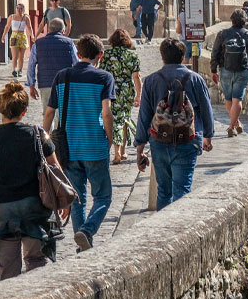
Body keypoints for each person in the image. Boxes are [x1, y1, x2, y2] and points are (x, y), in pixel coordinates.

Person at [0, 81, 61, 278]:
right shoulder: (38, 135)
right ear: (24, 111)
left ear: (0, 109)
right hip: (34, 208)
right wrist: (62, 201)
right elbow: (55, 169)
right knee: (36, 262)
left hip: (0, 211)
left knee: (8, 269)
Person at [46, 34, 116, 251]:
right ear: (100, 55)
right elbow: (106, 113)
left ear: (78, 53)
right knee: (103, 196)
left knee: (76, 198)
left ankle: (83, 245)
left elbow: (49, 113)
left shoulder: (62, 76)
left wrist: (45, 140)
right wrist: (110, 139)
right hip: (95, 145)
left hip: (68, 147)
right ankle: (87, 231)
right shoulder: (104, 77)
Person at [134, 37, 215, 208]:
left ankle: (162, 231)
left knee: (163, 191)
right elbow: (206, 110)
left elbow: (144, 116)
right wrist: (208, 136)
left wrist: (140, 146)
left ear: (162, 57)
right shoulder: (195, 79)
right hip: (188, 140)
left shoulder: (150, 81)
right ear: (183, 56)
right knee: (182, 189)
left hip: (159, 141)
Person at [211, 9, 248, 138]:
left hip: (225, 69)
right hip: (242, 70)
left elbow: (215, 52)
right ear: (245, 20)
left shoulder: (223, 34)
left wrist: (213, 70)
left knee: (228, 98)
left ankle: (232, 125)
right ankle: (234, 124)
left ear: (231, 20)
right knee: (237, 99)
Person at [102, 27, 141, 164]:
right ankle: (122, 151)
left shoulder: (107, 55)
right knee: (124, 118)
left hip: (111, 90)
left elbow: (101, 73)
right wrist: (138, 95)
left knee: (114, 119)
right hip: (127, 91)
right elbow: (136, 77)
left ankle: (117, 151)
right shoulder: (132, 55)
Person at [25, 17, 78, 105]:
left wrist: (31, 85)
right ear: (63, 31)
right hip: (64, 83)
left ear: (48, 29)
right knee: (62, 113)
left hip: (45, 83)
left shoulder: (38, 44)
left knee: (47, 114)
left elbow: (31, 65)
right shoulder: (69, 43)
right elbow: (77, 62)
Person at [6, 1, 32, 77]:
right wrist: (4, 36)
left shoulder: (26, 18)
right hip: (14, 36)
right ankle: (14, 70)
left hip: (22, 36)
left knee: (21, 56)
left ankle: (20, 70)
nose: (18, 9)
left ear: (23, 9)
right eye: (17, 8)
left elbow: (30, 28)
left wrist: (32, 36)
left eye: (20, 8)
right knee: (15, 56)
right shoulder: (11, 17)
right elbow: (7, 27)